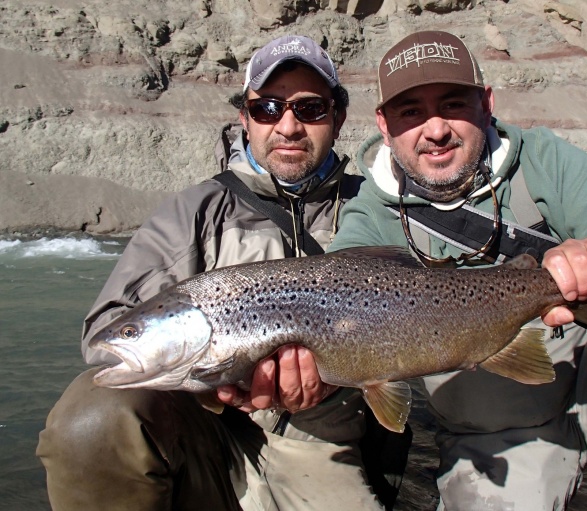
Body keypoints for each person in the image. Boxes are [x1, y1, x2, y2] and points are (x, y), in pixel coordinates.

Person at [327, 30, 587, 510]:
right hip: (496, 435)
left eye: (453, 104)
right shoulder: (370, 216)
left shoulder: (547, 161)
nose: (435, 129)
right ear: (384, 123)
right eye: (411, 111)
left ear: (486, 103)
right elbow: (333, 301)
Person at [37, 35, 393, 511]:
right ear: (244, 118)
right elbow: (106, 333)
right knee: (92, 418)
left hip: (321, 441)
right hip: (203, 434)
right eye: (267, 108)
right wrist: (217, 383)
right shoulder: (196, 211)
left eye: (309, 109)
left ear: (338, 117)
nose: (288, 125)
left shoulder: (373, 208)